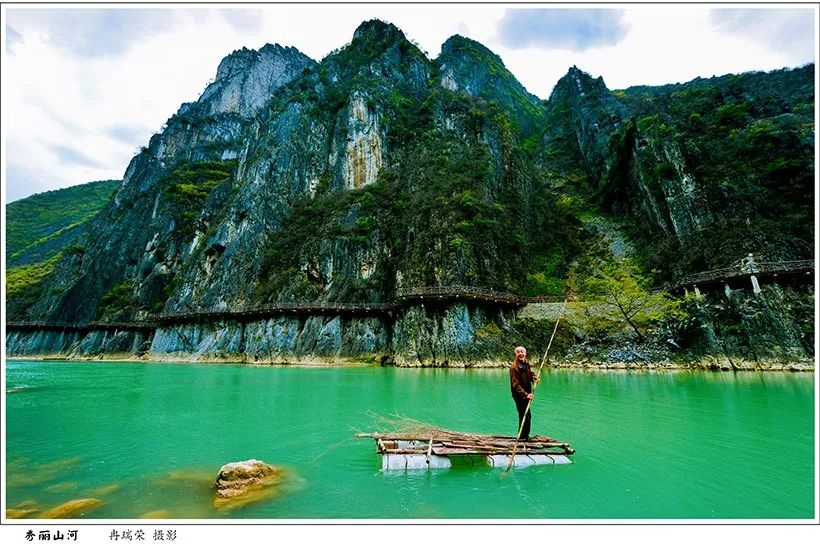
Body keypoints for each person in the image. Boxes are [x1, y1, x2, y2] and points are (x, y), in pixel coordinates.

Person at [510, 346, 538, 441]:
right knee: (524, 415)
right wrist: (526, 395)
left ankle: (525, 436)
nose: (520, 354)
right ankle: (522, 437)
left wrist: (534, 377)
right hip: (519, 395)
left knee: (527, 416)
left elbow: (529, 373)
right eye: (518, 352)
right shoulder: (514, 367)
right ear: (515, 354)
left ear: (525, 353)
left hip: (526, 393)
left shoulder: (526, 363)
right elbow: (515, 385)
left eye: (522, 352)